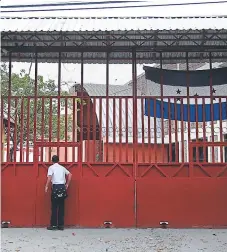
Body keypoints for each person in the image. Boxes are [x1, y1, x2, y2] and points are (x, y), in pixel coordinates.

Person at [45, 155, 72, 231]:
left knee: (54, 207)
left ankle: (53, 225)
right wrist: (67, 184)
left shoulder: (51, 168)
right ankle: (61, 225)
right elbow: (70, 174)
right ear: (58, 160)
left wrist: (46, 186)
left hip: (55, 187)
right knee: (61, 207)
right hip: (62, 187)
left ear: (52, 161)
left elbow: (49, 177)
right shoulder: (62, 168)